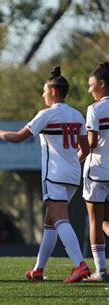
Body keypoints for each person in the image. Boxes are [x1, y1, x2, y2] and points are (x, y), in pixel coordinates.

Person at [0, 66, 91, 283]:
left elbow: (17, 137)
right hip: (72, 174)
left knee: (60, 219)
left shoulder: (47, 114)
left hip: (55, 174)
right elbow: (85, 149)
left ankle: (80, 265)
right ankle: (38, 269)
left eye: (44, 91)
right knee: (50, 222)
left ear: (53, 92)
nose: (42, 95)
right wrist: (71, 162)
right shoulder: (77, 114)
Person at [82, 61, 109, 281]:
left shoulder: (95, 109)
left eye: (92, 85)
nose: (90, 90)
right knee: (106, 222)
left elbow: (90, 143)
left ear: (102, 84)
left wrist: (74, 157)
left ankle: (100, 271)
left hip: (97, 170)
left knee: (95, 220)